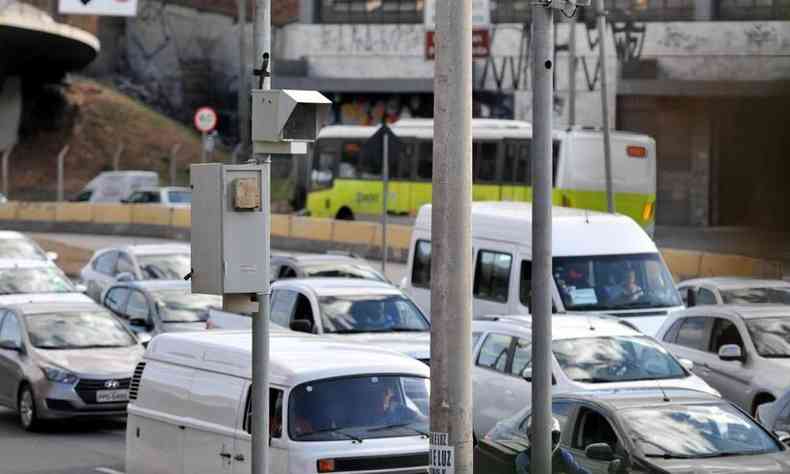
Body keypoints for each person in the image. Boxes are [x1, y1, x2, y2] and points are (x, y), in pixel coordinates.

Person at [515, 417, 590, 474]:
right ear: (533, 438)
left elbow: (577, 471)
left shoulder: (563, 455)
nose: (550, 442)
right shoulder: (524, 458)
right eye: (544, 438)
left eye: (554, 437)